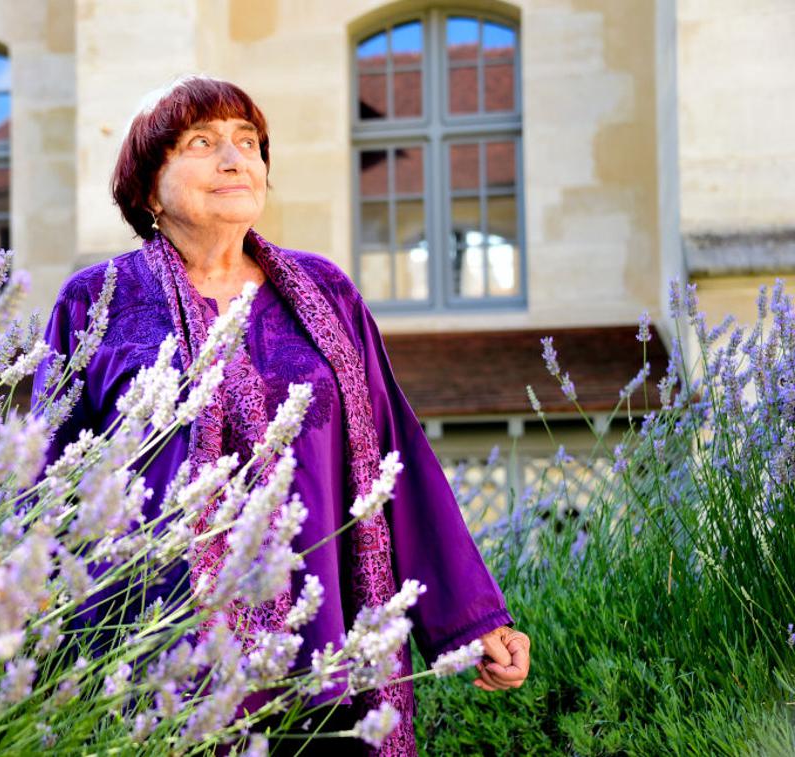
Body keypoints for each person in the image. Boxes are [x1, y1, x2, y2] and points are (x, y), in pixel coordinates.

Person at [30, 75, 530, 756]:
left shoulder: (324, 290)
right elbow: (47, 479)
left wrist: (470, 619)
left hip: (329, 662)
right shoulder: (98, 302)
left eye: (248, 142)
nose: (235, 159)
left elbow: (394, 455)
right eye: (201, 143)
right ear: (148, 189)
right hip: (164, 667)